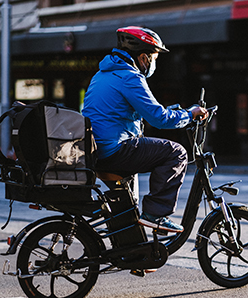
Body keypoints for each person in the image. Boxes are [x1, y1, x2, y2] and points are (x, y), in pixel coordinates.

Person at [82, 26, 208, 233]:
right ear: (143, 58)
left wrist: (177, 113)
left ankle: (135, 255)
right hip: (115, 150)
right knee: (175, 152)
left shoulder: (102, 74)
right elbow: (159, 119)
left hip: (98, 151)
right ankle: (157, 215)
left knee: (127, 206)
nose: (153, 64)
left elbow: (142, 111)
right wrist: (190, 114)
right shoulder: (130, 77)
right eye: (154, 58)